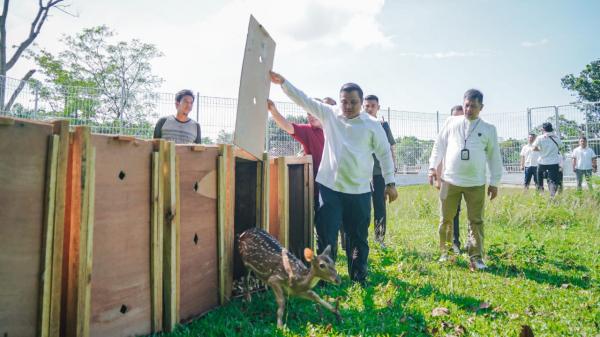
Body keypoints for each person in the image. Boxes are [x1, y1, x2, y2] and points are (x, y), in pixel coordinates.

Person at [270, 70, 398, 285]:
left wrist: (390, 183)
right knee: (327, 236)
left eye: (353, 102)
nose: (348, 106)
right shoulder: (330, 114)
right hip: (331, 189)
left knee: (357, 237)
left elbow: (385, 154)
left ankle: (358, 276)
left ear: (361, 101)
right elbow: (304, 100)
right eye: (344, 102)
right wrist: (284, 83)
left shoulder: (372, 126)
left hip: (359, 191)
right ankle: (325, 278)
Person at [428, 89, 502, 270]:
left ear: (481, 107)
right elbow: (439, 145)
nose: (469, 109)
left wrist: (494, 182)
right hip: (448, 180)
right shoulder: (451, 122)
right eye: (466, 105)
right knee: (445, 218)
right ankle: (445, 253)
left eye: (473, 106)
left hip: (475, 183)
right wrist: (432, 167)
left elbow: (494, 157)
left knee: (476, 221)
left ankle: (476, 257)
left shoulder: (488, 129)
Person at [363, 95, 397, 248]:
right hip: (362, 173)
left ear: (378, 107)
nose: (369, 109)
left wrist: (392, 168)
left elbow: (391, 148)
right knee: (362, 207)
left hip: (379, 173)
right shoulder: (359, 123)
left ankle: (379, 238)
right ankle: (361, 236)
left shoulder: (383, 125)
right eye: (367, 106)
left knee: (379, 206)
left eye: (372, 106)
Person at [435, 105, 465, 254]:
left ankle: (461, 243)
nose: (458, 119)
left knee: (462, 213)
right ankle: (452, 244)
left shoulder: (470, 135)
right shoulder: (446, 134)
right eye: (455, 116)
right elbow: (439, 156)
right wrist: (438, 179)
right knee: (450, 214)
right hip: (449, 179)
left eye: (461, 116)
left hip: (468, 181)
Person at [532, 122, 563, 197]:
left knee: (539, 175)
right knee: (552, 180)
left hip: (542, 162)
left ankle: (541, 191)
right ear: (551, 129)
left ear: (543, 129)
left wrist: (541, 150)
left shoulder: (540, 137)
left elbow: (534, 148)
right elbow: (560, 146)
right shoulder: (556, 137)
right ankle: (552, 195)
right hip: (553, 162)